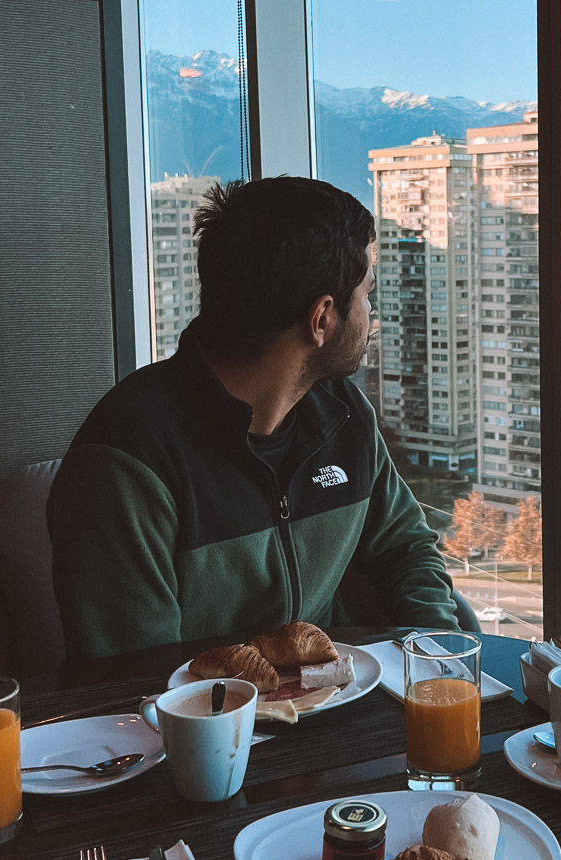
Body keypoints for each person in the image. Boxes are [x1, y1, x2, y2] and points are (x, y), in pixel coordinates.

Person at [48, 176, 460, 661]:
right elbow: (134, 680)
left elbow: (406, 549)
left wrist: (440, 666)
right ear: (322, 318)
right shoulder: (126, 461)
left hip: (335, 700)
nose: (373, 314)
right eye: (368, 294)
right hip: (206, 728)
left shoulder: (344, 416)